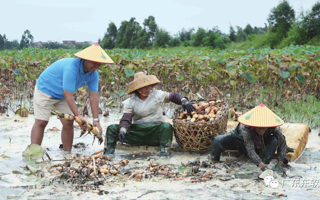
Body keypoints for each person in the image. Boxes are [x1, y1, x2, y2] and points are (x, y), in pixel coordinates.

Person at [30, 43, 113, 151]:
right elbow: (68, 95)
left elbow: (93, 96)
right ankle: (33, 153)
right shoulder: (71, 68)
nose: (97, 66)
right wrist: (78, 115)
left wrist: (96, 119)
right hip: (45, 89)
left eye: (99, 64)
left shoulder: (93, 74)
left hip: (61, 95)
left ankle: (67, 154)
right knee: (41, 122)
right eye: (94, 63)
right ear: (85, 59)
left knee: (68, 122)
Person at [104, 72, 195, 156]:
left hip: (155, 131)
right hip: (138, 133)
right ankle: (109, 154)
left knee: (167, 127)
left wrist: (183, 100)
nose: (149, 89)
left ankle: (164, 153)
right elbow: (126, 119)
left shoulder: (157, 95)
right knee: (112, 129)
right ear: (138, 89)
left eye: (149, 86)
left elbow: (173, 96)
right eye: (145, 87)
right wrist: (123, 130)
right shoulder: (130, 102)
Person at [208, 103, 290, 170]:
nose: (261, 129)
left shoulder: (273, 127)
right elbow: (250, 148)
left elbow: (282, 141)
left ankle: (265, 160)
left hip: (261, 145)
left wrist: (281, 160)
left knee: (274, 140)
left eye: (264, 127)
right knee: (218, 140)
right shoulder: (246, 128)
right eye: (258, 126)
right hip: (240, 142)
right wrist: (259, 163)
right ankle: (213, 161)